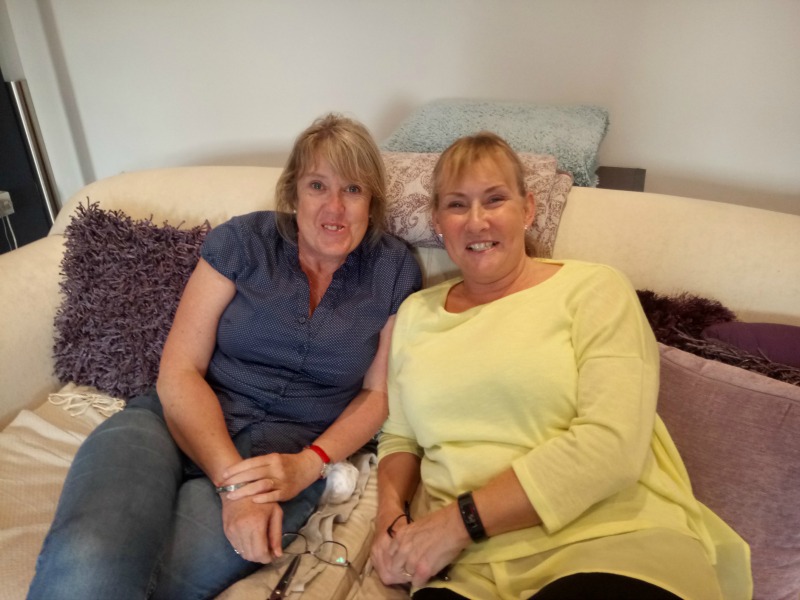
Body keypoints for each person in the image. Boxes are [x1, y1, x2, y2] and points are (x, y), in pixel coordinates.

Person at [28, 113, 422, 600]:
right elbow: (180, 368)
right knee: (91, 558)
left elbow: (376, 394)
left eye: (353, 189)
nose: (334, 207)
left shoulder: (393, 269)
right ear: (293, 192)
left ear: (372, 202)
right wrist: (232, 488)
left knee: (163, 579)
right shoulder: (243, 243)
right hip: (170, 423)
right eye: (318, 185)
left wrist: (310, 464)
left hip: (278, 465)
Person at [370, 132, 752, 599]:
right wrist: (389, 519)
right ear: (437, 222)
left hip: (607, 542)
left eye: (495, 199)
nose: (476, 220)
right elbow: (400, 437)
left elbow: (611, 444)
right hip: (465, 569)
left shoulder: (595, 290)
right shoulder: (415, 314)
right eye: (456, 204)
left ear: (528, 209)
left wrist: (458, 523)